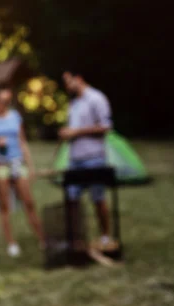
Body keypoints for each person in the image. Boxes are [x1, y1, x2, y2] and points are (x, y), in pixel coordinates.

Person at [0, 85, 45, 257]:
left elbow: (22, 141)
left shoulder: (15, 116)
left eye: (8, 100)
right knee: (5, 206)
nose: (6, 103)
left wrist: (30, 166)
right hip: (1, 165)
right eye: (3, 100)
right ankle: (11, 243)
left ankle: (42, 238)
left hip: (18, 163)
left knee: (29, 202)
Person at [59, 69, 113, 249]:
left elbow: (105, 127)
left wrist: (76, 132)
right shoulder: (74, 103)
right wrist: (67, 133)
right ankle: (76, 239)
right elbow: (74, 128)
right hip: (75, 159)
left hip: (94, 158)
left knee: (98, 198)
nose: (67, 86)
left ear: (79, 79)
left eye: (69, 81)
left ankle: (105, 236)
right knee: (71, 198)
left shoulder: (96, 98)